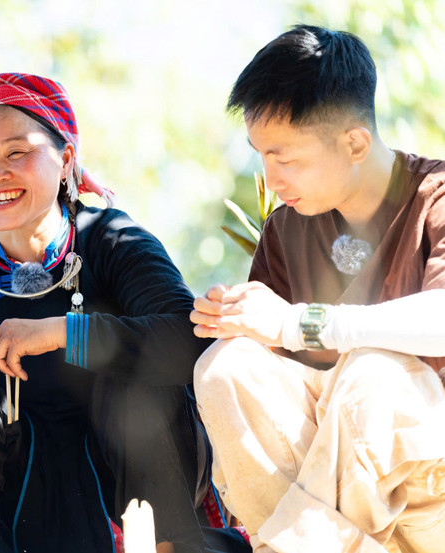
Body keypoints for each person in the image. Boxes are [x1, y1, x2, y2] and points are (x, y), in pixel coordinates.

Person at [0, 73, 241, 553]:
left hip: (134, 479)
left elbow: (189, 338)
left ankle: (165, 548)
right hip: (9, 489)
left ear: (66, 158)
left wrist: (65, 333)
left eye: (16, 153)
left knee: (129, 360)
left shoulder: (114, 240)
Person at [191, 26, 445, 553]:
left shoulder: (436, 196)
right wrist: (231, 319)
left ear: (354, 142)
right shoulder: (288, 229)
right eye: (261, 155)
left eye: (287, 158)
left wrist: (296, 321)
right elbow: (263, 384)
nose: (271, 176)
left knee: (373, 370)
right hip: (341, 509)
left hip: (430, 488)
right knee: (225, 367)